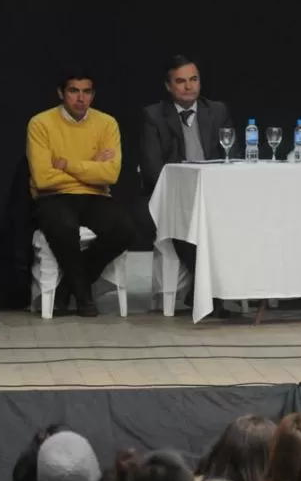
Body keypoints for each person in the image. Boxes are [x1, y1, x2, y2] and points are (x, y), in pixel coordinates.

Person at [26, 68, 136, 317]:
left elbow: (110, 175)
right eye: (74, 91)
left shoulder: (107, 123)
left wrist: (69, 164)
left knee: (124, 230)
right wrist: (92, 164)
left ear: (93, 95)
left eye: (86, 92)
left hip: (95, 196)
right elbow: (43, 178)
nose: (80, 98)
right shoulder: (40, 123)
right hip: (53, 196)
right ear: (61, 93)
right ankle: (84, 296)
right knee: (63, 226)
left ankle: (68, 288)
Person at [140, 55, 236, 317]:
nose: (188, 86)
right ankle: (213, 296)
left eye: (193, 79)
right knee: (187, 220)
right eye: (180, 81)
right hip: (172, 197)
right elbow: (152, 169)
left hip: (214, 195)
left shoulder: (216, 111)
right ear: (169, 86)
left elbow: (231, 156)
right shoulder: (154, 116)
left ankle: (210, 291)